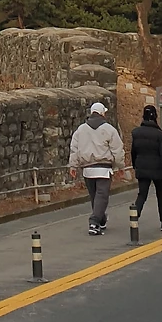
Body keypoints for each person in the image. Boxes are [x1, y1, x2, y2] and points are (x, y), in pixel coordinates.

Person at [67, 100, 125, 236]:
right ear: (102, 113)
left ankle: (101, 220)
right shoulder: (109, 129)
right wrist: (120, 166)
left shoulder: (81, 130)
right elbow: (117, 150)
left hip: (87, 168)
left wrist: (73, 165)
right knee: (102, 196)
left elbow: (74, 148)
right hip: (103, 168)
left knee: (95, 196)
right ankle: (94, 222)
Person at [131, 103, 162, 231]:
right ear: (155, 117)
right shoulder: (159, 135)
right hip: (157, 168)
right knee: (161, 194)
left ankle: (135, 215)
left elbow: (133, 151)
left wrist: (135, 165)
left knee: (142, 194)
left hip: (142, 166)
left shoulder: (136, 133)